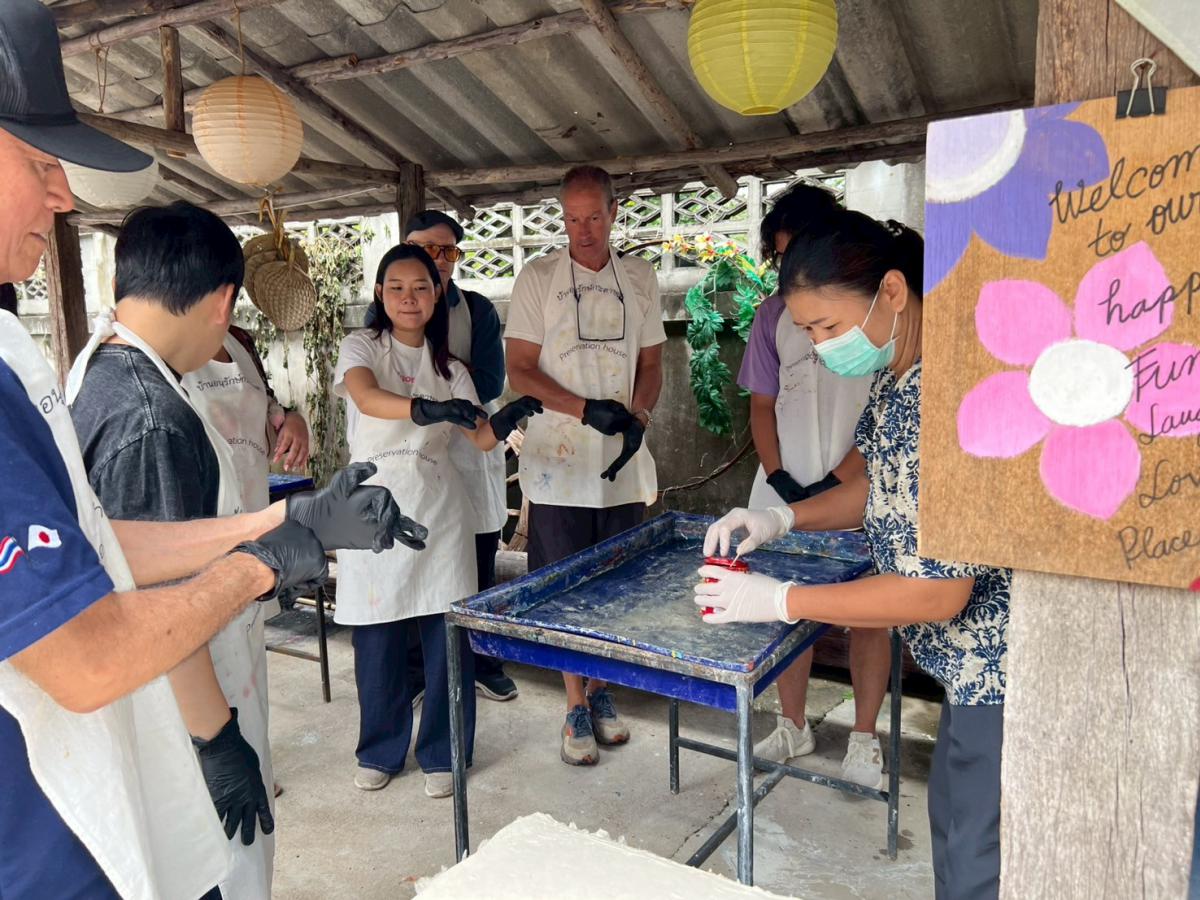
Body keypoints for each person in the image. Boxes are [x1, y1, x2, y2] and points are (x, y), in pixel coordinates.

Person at [0, 3, 422, 894]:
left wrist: (282, 521)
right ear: (222, 302)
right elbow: (87, 653)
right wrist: (257, 574)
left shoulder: (54, 361)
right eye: (40, 164)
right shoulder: (143, 411)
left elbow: (94, 545)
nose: (63, 195)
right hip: (45, 836)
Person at [697, 185, 1011, 900]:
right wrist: (779, 518)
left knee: (979, 860)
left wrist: (783, 599)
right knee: (956, 836)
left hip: (998, 671)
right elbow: (875, 491)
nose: (817, 345)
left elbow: (938, 590)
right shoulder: (898, 380)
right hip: (964, 674)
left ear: (892, 292)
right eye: (806, 331)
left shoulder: (952, 395)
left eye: (826, 325)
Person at [67, 201, 293, 898]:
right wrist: (217, 738)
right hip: (182, 708)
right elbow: (161, 601)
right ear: (223, 301)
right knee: (213, 868)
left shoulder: (100, 367)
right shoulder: (149, 417)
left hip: (151, 688)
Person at [334, 243, 541, 798]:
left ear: (437, 294)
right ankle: (379, 749)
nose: (409, 298)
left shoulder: (451, 368)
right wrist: (425, 409)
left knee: (445, 640)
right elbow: (366, 396)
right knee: (377, 638)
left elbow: (479, 437)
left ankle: (444, 753)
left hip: (439, 513)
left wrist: (507, 416)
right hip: (373, 510)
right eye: (397, 287)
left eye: (421, 287)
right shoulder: (361, 346)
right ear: (380, 293)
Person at [505, 165, 665, 766]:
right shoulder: (538, 277)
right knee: (563, 586)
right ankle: (573, 702)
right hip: (558, 461)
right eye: (572, 219)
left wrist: (639, 416)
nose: (584, 230)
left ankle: (601, 691)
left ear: (614, 212)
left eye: (594, 216)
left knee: (616, 585)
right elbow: (520, 369)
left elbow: (652, 365)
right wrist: (582, 409)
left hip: (621, 459)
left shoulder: (640, 278)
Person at [738, 184, 890, 789]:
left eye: (798, 251)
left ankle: (864, 737)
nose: (789, 271)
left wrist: (835, 481)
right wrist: (779, 478)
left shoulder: (873, 315)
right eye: (781, 259)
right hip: (785, 488)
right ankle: (793, 724)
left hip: (858, 485)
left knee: (872, 612)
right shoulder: (770, 317)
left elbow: (887, 413)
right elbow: (762, 405)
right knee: (785, 604)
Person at [404, 209, 517, 702]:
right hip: (415, 451)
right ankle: (419, 672)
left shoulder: (477, 310)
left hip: (472, 449)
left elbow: (490, 382)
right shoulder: (388, 309)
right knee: (419, 559)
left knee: (479, 560)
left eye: (447, 250)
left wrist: (432, 374)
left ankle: (483, 663)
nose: (438, 258)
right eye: (425, 248)